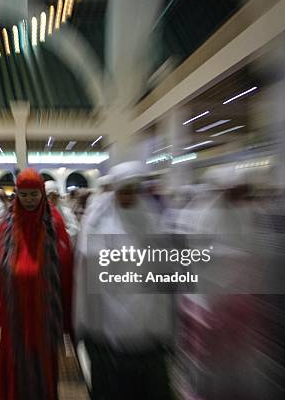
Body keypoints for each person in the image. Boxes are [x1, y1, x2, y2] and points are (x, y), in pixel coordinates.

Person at [75, 161, 174, 400]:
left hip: (146, 330)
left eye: (134, 191)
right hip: (107, 328)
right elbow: (88, 273)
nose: (129, 196)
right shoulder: (97, 226)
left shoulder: (152, 222)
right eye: (124, 191)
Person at [0, 168, 74, 400]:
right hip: (15, 312)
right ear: (17, 194)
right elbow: (1, 268)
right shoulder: (7, 225)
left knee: (43, 365)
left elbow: (66, 268)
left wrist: (65, 317)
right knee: (16, 361)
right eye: (24, 195)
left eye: (34, 195)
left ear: (42, 193)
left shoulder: (54, 222)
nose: (29, 200)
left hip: (45, 313)